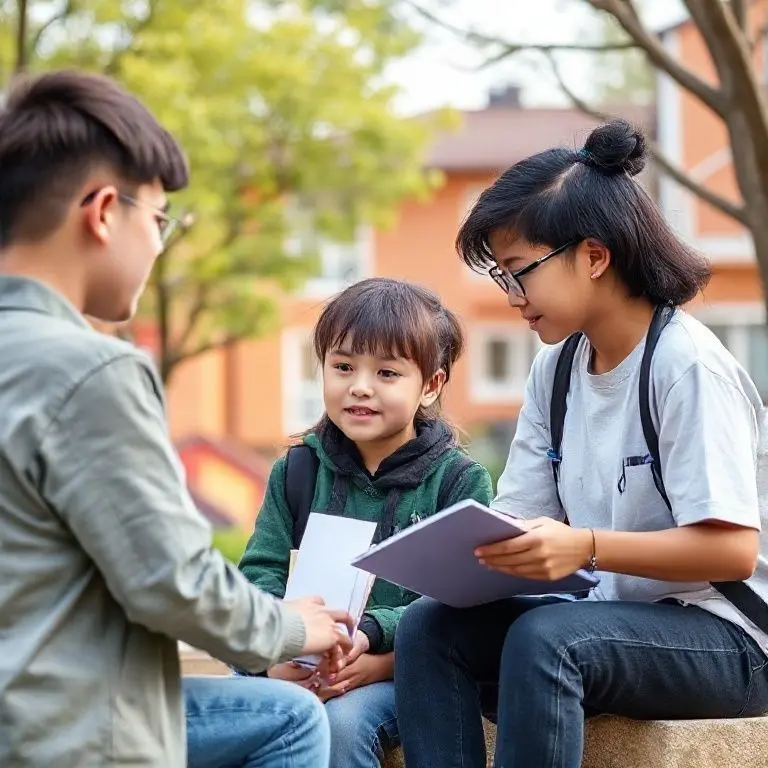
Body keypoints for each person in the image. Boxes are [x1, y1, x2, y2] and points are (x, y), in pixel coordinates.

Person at [0, 69, 353, 768]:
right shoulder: (91, 369)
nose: (159, 246)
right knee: (293, 720)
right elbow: (176, 583)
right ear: (103, 211)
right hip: (65, 736)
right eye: (160, 221)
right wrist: (291, 626)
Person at [393, 119, 768, 768]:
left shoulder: (684, 366)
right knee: (431, 627)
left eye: (519, 272)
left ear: (593, 256)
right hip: (611, 621)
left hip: (733, 639)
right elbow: (519, 514)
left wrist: (586, 546)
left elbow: (732, 550)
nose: (511, 298)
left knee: (547, 639)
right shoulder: (558, 369)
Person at [238, 277, 494, 768]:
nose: (360, 386)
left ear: (431, 385)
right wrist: (276, 650)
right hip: (296, 660)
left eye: (387, 373)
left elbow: (455, 602)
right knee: (222, 722)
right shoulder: (297, 472)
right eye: (343, 366)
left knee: (343, 726)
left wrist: (374, 648)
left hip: (402, 674)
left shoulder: (459, 483)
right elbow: (259, 575)